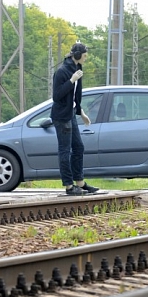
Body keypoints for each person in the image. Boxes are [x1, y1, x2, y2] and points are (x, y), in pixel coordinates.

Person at [51, 41, 99, 196]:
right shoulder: (62, 72)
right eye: (84, 56)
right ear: (77, 55)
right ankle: (68, 186)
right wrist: (71, 81)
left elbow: (75, 95)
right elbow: (57, 96)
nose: (85, 58)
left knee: (78, 147)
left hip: (71, 113)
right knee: (65, 150)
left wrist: (81, 111)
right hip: (61, 116)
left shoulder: (78, 68)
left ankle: (80, 182)